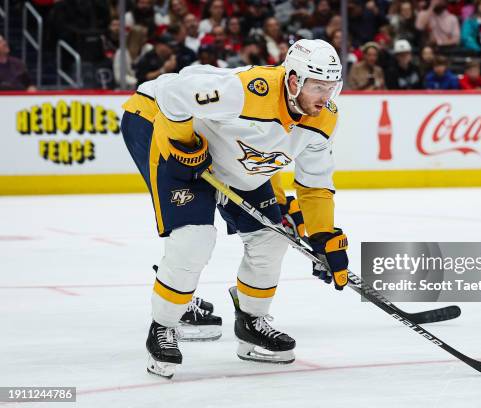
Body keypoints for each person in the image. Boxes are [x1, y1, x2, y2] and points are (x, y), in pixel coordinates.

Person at [120, 39, 349, 378]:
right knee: (194, 239)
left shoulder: (323, 118)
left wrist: (323, 235)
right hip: (161, 125)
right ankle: (163, 326)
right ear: (294, 80)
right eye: (318, 87)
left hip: (233, 155)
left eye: (331, 87)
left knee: (273, 238)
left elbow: (314, 185)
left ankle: (251, 322)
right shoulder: (249, 91)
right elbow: (172, 93)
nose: (325, 96)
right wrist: (184, 144)